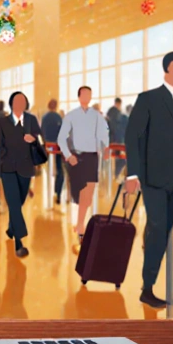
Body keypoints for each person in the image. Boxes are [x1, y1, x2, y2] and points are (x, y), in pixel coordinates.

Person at [124, 52, 173, 309]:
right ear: (166, 70)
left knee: (164, 228)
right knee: (158, 227)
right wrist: (133, 175)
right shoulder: (149, 99)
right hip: (153, 176)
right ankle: (148, 288)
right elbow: (132, 136)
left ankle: (150, 251)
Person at [58, 86, 110, 252]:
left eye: (89, 94)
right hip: (77, 157)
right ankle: (80, 227)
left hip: (92, 157)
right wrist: (68, 155)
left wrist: (106, 147)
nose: (87, 97)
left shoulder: (97, 116)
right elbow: (61, 138)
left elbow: (104, 133)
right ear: (79, 96)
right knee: (79, 193)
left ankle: (81, 224)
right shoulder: (71, 116)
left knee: (88, 193)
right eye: (84, 94)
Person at [0, 91, 42, 258]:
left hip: (26, 168)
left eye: (23, 101)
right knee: (13, 202)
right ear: (11, 104)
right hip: (8, 168)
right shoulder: (3, 122)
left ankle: (11, 228)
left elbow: (38, 140)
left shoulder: (31, 120)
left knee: (18, 202)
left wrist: (33, 140)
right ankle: (19, 242)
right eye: (16, 101)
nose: (20, 104)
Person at [41, 98, 65, 205]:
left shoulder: (44, 118)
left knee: (49, 169)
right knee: (60, 170)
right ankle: (58, 193)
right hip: (57, 147)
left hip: (47, 147)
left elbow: (41, 132)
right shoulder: (58, 117)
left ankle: (51, 192)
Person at [107, 98, 127, 177]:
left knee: (113, 161)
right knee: (121, 161)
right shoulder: (122, 116)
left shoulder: (109, 115)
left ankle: (114, 176)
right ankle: (116, 176)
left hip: (111, 142)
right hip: (119, 142)